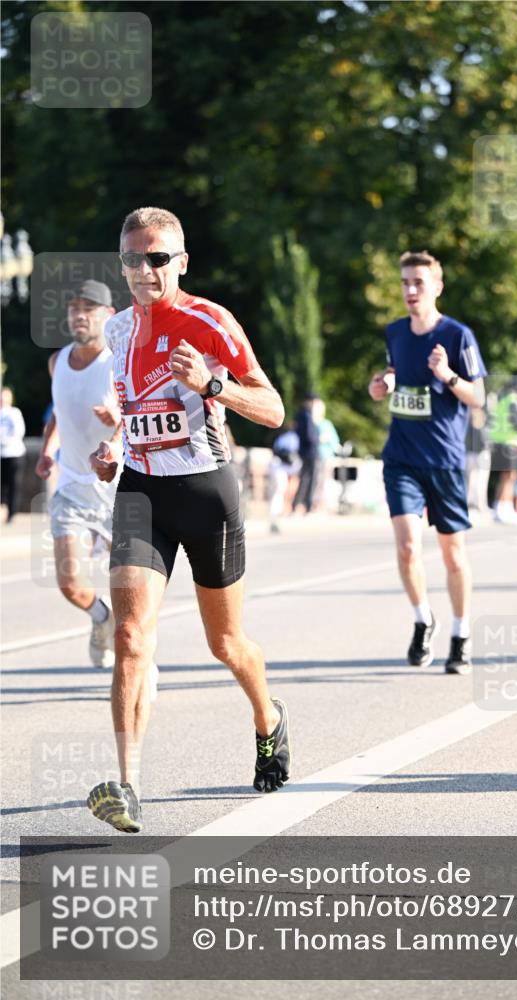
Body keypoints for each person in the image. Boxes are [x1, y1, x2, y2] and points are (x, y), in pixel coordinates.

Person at [86, 206, 289, 833]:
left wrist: (213, 386)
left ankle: (268, 719)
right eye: (132, 258)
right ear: (120, 264)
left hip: (205, 494)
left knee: (225, 645)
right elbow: (132, 409)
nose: (144, 269)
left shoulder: (209, 321)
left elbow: (274, 409)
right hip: (141, 493)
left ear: (181, 261)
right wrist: (112, 449)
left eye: (157, 258)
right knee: (129, 639)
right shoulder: (117, 331)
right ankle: (129, 785)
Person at [368, 249, 487, 674]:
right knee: (406, 547)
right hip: (401, 457)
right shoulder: (395, 332)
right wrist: (380, 385)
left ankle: (461, 633)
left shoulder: (457, 335)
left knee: (453, 556)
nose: (411, 290)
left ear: (437, 287)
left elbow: (478, 396)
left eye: (419, 283)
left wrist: (448, 375)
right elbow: (390, 374)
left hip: (445, 460)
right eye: (405, 283)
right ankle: (423, 619)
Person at [34, 280, 129, 672]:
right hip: (72, 484)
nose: (79, 314)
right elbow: (59, 410)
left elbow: (140, 417)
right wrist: (46, 451)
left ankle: (137, 659)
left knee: (133, 594)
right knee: (69, 583)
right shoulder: (57, 361)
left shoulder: (117, 363)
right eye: (74, 308)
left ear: (108, 316)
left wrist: (117, 422)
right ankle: (100, 618)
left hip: (117, 489)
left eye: (88, 308)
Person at [489, 375, 517, 524]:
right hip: (511, 443)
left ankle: (498, 508)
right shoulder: (515, 400)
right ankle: (506, 509)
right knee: (510, 477)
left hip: (499, 442)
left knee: (503, 477)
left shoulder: (503, 399)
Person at [268, 423, 301, 533]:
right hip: (279, 468)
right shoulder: (291, 437)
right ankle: (274, 518)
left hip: (278, 467)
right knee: (279, 491)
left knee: (278, 493)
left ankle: (275, 518)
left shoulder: (281, 437)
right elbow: (288, 455)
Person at [292, 391, 321, 514]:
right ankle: (306, 506)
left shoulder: (301, 414)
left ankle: (298, 505)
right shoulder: (306, 415)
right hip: (310, 451)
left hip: (304, 451)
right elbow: (309, 435)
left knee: (305, 478)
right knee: (309, 479)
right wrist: (318, 439)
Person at [0, 387, 26, 522]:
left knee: (13, 485)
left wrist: (4, 441)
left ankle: (12, 513)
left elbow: (18, 431)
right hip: (1, 455)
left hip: (13, 453)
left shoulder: (14, 413)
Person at [312, 397, 340, 511]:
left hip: (325, 457)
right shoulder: (311, 423)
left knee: (323, 482)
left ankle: (321, 506)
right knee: (316, 482)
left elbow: (335, 441)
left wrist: (326, 439)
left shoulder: (326, 424)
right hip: (315, 457)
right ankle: (315, 505)